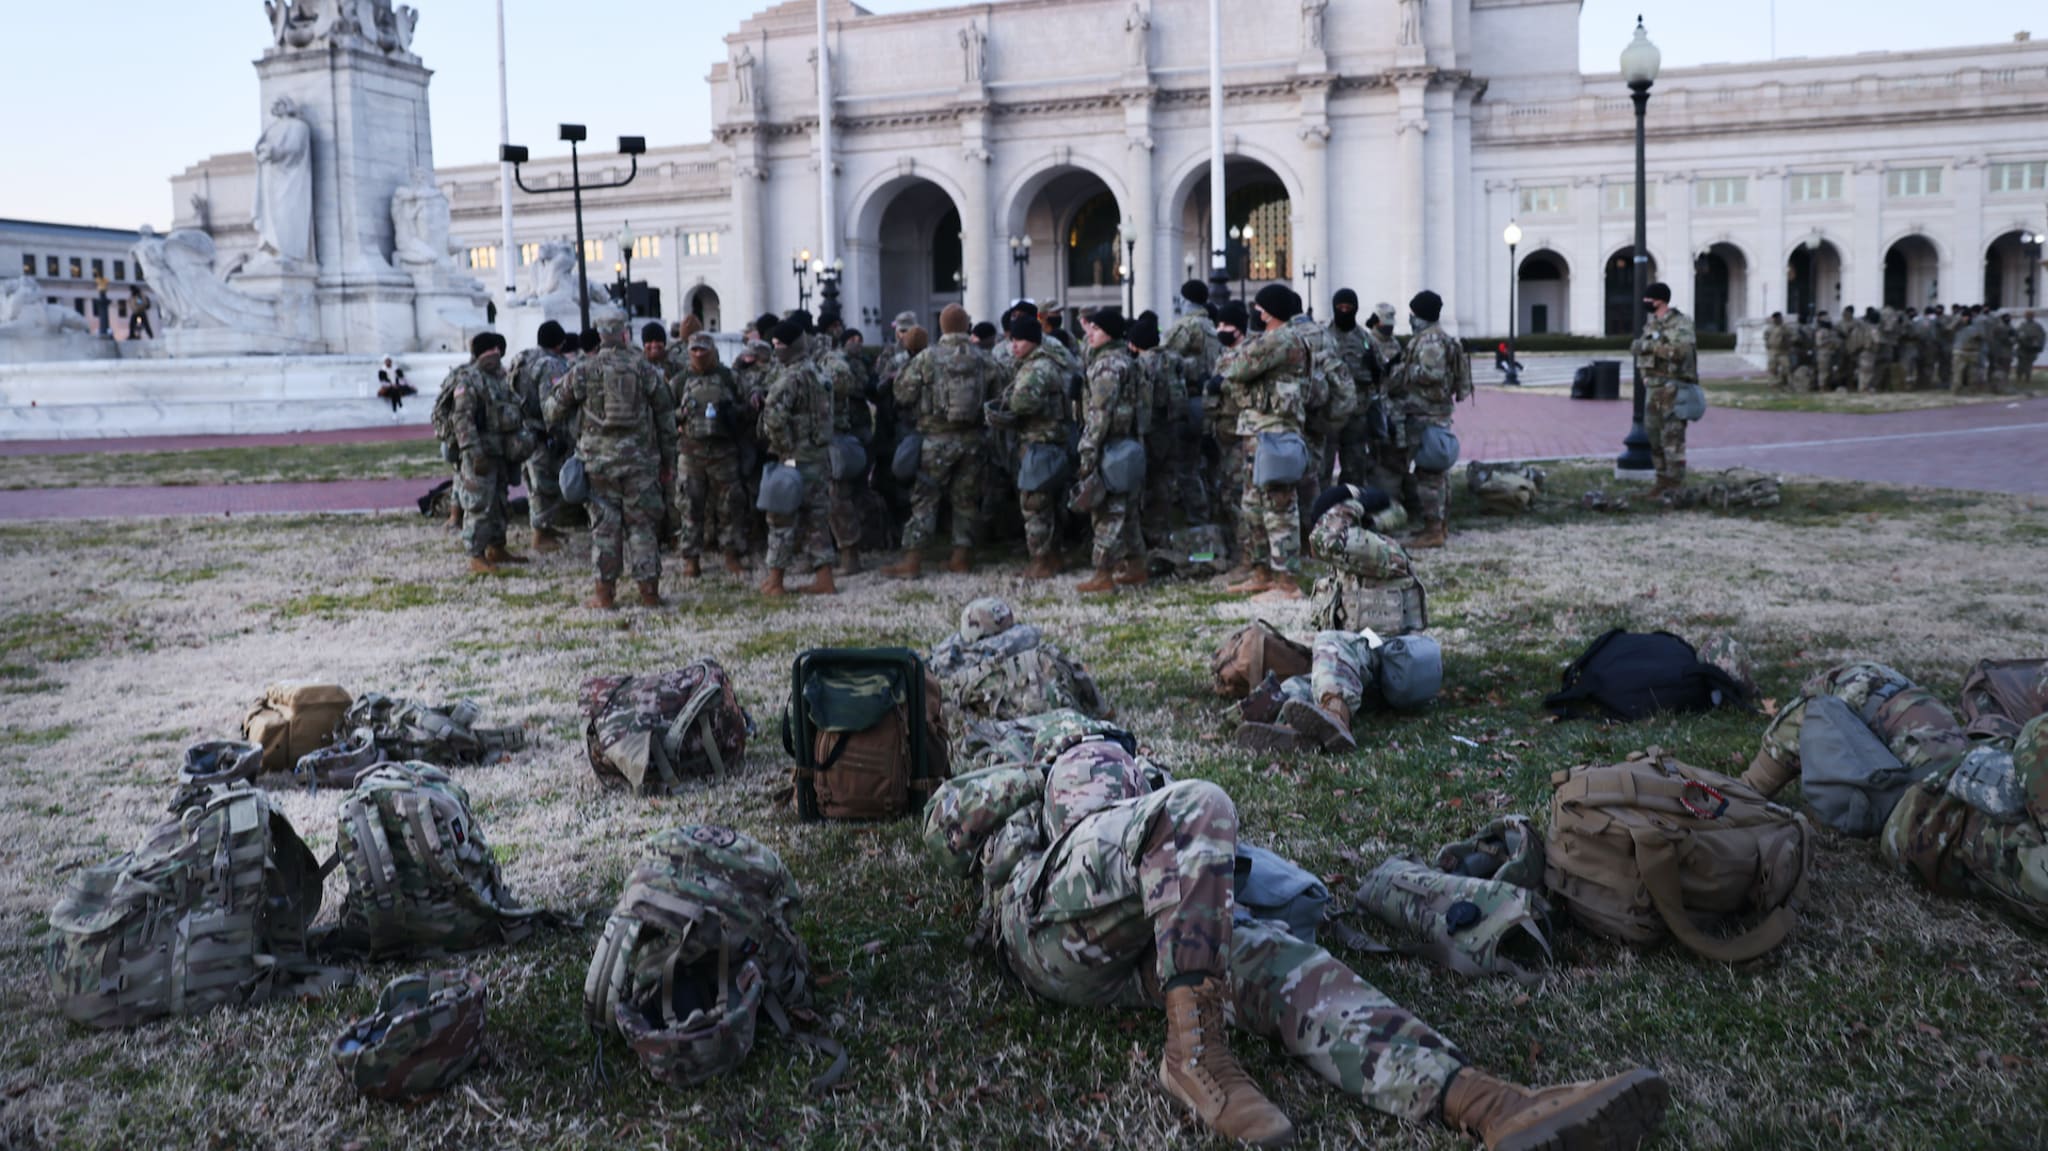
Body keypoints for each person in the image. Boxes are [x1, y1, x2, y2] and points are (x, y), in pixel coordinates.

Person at [924, 737, 1671, 1150]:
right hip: (1054, 926)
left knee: (1290, 965)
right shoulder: (1014, 754)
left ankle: (1490, 1104)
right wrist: (1049, 763)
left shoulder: (1137, 766)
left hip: (1166, 937)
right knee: (1198, 804)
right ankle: (1194, 1056)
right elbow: (943, 827)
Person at [543, 315, 677, 609]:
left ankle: (604, 595)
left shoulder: (583, 370)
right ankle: (649, 593)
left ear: (601, 336)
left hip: (598, 465)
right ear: (625, 335)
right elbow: (666, 418)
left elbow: (552, 410)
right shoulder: (645, 370)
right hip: (640, 464)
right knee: (642, 527)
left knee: (604, 528)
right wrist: (668, 462)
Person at [881, 305, 994, 579]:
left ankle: (912, 562)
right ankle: (961, 558)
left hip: (936, 440)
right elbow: (998, 392)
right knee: (966, 499)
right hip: (973, 440)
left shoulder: (928, 357)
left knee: (925, 499)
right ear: (967, 326)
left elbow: (903, 394)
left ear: (942, 327)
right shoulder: (983, 358)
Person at [1220, 285, 1317, 596]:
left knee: (1278, 507)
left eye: (1259, 308)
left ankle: (1286, 581)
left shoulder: (1278, 340)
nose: (1256, 313)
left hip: (1273, 432)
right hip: (1262, 432)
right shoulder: (1293, 339)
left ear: (1268, 311)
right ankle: (1261, 572)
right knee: (1254, 506)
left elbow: (1236, 369)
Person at [1375, 290, 1470, 549]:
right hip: (1435, 413)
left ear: (1421, 314)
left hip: (1426, 414)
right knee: (1438, 473)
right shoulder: (1443, 338)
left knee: (1429, 474)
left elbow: (1431, 374)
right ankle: (1439, 525)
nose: (1410, 318)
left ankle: (1433, 530)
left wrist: (1402, 370)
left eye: (1413, 313)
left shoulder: (1430, 341)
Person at [758, 320, 838, 596]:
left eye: (779, 345)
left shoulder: (789, 378)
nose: (775, 350)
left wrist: (784, 448)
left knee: (780, 518)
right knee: (817, 519)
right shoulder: (819, 372)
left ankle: (775, 581)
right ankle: (825, 578)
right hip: (818, 457)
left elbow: (773, 418)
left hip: (794, 460)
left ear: (790, 346)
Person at [1072, 306, 1146, 592]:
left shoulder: (1107, 366)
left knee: (1107, 510)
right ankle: (1136, 566)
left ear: (1111, 333)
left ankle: (1103, 573)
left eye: (1097, 329)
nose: (1090, 333)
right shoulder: (1126, 359)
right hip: (1128, 443)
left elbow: (1099, 414)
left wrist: (1087, 449)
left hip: (1110, 444)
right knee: (1128, 510)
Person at [450, 332, 528, 574]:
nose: (498, 354)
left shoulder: (498, 378)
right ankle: (476, 554)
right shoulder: (469, 380)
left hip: (500, 451)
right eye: (494, 349)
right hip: (480, 453)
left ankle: (497, 547)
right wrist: (475, 453)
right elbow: (462, 420)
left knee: (499, 502)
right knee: (479, 504)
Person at [1001, 314, 1070, 581]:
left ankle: (1040, 562)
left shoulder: (1036, 368)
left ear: (1032, 340)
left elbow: (1022, 404)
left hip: (1039, 442)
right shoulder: (1047, 363)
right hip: (1051, 441)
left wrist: (1007, 402)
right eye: (1013, 339)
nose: (1014, 345)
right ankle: (1054, 557)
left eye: (1019, 340)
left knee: (1034, 504)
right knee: (1050, 503)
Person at [673, 333, 747, 579]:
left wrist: (733, 412)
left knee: (730, 505)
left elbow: (749, 406)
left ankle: (731, 554)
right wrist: (681, 416)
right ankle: (691, 559)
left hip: (724, 452)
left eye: (703, 350)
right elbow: (664, 412)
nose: (699, 354)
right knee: (690, 506)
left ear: (712, 350)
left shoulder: (729, 377)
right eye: (694, 350)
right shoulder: (680, 380)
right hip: (691, 452)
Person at [506, 321, 572, 553]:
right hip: (541, 432)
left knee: (534, 480)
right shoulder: (550, 364)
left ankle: (546, 527)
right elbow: (551, 405)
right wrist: (558, 434)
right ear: (560, 343)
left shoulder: (524, 357)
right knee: (544, 484)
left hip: (523, 429)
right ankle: (540, 535)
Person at [1631, 282, 1697, 498]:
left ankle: (1676, 485)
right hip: (1654, 387)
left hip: (1673, 387)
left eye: (1648, 299)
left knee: (1672, 437)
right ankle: (1662, 481)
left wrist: (1647, 346)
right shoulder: (1652, 325)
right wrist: (1645, 375)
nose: (1645, 302)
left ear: (1659, 300)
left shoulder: (1681, 323)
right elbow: (1643, 355)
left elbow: (1680, 352)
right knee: (1654, 436)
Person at [1130, 314, 1185, 550]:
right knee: (1166, 480)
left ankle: (1150, 534)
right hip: (1171, 424)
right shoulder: (1172, 358)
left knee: (1149, 483)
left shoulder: (1141, 364)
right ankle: (1163, 530)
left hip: (1150, 429)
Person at [1328, 288, 1382, 484]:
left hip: (1356, 415)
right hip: (1328, 415)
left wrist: (1374, 368)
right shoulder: (1324, 337)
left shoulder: (1366, 339)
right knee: (1322, 471)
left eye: (1348, 307)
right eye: (1340, 307)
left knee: (1354, 472)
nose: (1344, 311)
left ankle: (1350, 502)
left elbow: (1379, 376)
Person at [639, 322, 684, 550]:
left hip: (670, 435)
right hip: (645, 439)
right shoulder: (637, 368)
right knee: (649, 489)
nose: (654, 345)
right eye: (649, 342)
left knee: (672, 486)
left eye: (658, 341)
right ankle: (654, 535)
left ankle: (675, 532)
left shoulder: (676, 367)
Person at [1763, 312, 1792, 389]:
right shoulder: (1770, 328)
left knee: (1786, 367)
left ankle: (1784, 383)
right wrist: (1768, 345)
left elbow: (1790, 336)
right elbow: (1766, 337)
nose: (1778, 319)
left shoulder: (1785, 327)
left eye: (1779, 318)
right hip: (1773, 351)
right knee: (1772, 368)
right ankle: (1773, 384)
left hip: (1783, 351)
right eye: (1776, 318)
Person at [2020, 310, 2045, 384]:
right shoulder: (2022, 325)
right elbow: (2018, 334)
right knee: (2021, 363)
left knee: (2029, 363)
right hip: (2023, 347)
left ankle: (2027, 378)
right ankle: (2019, 376)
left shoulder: (2037, 326)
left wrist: (2039, 346)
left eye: (2030, 315)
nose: (2028, 317)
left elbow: (2042, 336)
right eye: (2027, 316)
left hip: (2032, 348)